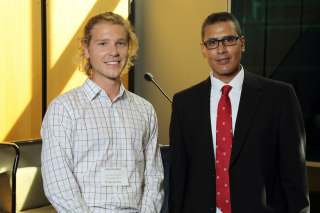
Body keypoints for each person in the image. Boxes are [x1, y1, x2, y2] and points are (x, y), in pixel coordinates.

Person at [169, 12, 309, 213]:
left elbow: (294, 176)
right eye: (212, 42)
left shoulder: (279, 96)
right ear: (203, 49)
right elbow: (178, 178)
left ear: (241, 43)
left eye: (228, 40)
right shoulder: (184, 103)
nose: (221, 50)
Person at [41, 12, 164, 213]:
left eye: (120, 43)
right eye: (103, 43)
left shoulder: (145, 110)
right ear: (86, 49)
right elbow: (58, 183)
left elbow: (154, 177)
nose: (113, 52)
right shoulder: (63, 108)